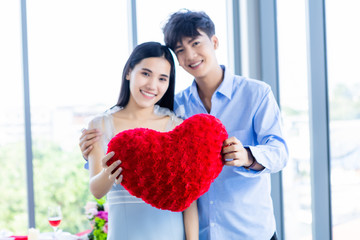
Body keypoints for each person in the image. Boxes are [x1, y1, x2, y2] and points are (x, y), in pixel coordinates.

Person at [80, 10, 288, 240]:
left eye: (196, 43)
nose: (190, 55)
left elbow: (280, 152)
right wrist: (93, 150)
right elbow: (144, 150)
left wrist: (248, 156)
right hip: (202, 233)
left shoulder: (256, 94)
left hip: (249, 231)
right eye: (180, 50)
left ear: (215, 42)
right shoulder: (177, 108)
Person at [85, 41, 198, 240]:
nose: (152, 85)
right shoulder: (100, 125)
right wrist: (109, 171)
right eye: (145, 73)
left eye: (162, 79)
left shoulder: (177, 126)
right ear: (129, 72)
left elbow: (189, 200)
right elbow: (96, 190)